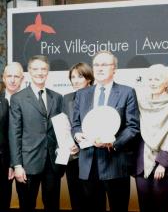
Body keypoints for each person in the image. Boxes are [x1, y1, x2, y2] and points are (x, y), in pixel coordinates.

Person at [72, 51, 140, 212]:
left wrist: (114, 143)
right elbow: (75, 123)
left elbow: (133, 127)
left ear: (114, 69)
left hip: (115, 162)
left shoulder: (126, 92)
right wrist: (77, 134)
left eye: (104, 65)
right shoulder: (82, 94)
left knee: (119, 207)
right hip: (89, 163)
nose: (99, 68)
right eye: (96, 65)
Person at [9, 55, 63, 212]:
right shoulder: (18, 99)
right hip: (27, 163)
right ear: (29, 72)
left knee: (52, 205)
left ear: (48, 72)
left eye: (43, 69)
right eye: (35, 69)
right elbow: (14, 133)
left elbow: (61, 130)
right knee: (27, 205)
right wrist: (17, 165)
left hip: (52, 164)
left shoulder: (57, 97)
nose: (40, 72)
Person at [135, 64, 168, 212]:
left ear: (166, 82)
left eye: (157, 79)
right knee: (145, 206)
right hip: (142, 162)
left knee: (161, 206)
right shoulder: (141, 102)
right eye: (150, 79)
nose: (152, 82)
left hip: (165, 163)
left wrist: (163, 163)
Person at [62, 62, 95, 212]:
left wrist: (82, 142)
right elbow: (64, 126)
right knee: (76, 199)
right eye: (72, 77)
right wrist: (68, 144)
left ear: (88, 78)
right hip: (73, 157)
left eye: (79, 76)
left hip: (93, 156)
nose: (75, 80)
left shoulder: (98, 95)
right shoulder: (67, 98)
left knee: (93, 199)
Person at [0, 62, 24, 212]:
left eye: (17, 76)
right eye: (9, 76)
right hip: (2, 161)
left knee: (27, 202)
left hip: (24, 161)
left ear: (22, 79)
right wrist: (9, 163)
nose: (12, 80)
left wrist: (16, 163)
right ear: (3, 78)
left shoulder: (29, 100)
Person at [0, 95, 11, 212]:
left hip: (2, 160)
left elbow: (10, 134)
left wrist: (11, 164)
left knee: (3, 199)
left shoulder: (4, 102)